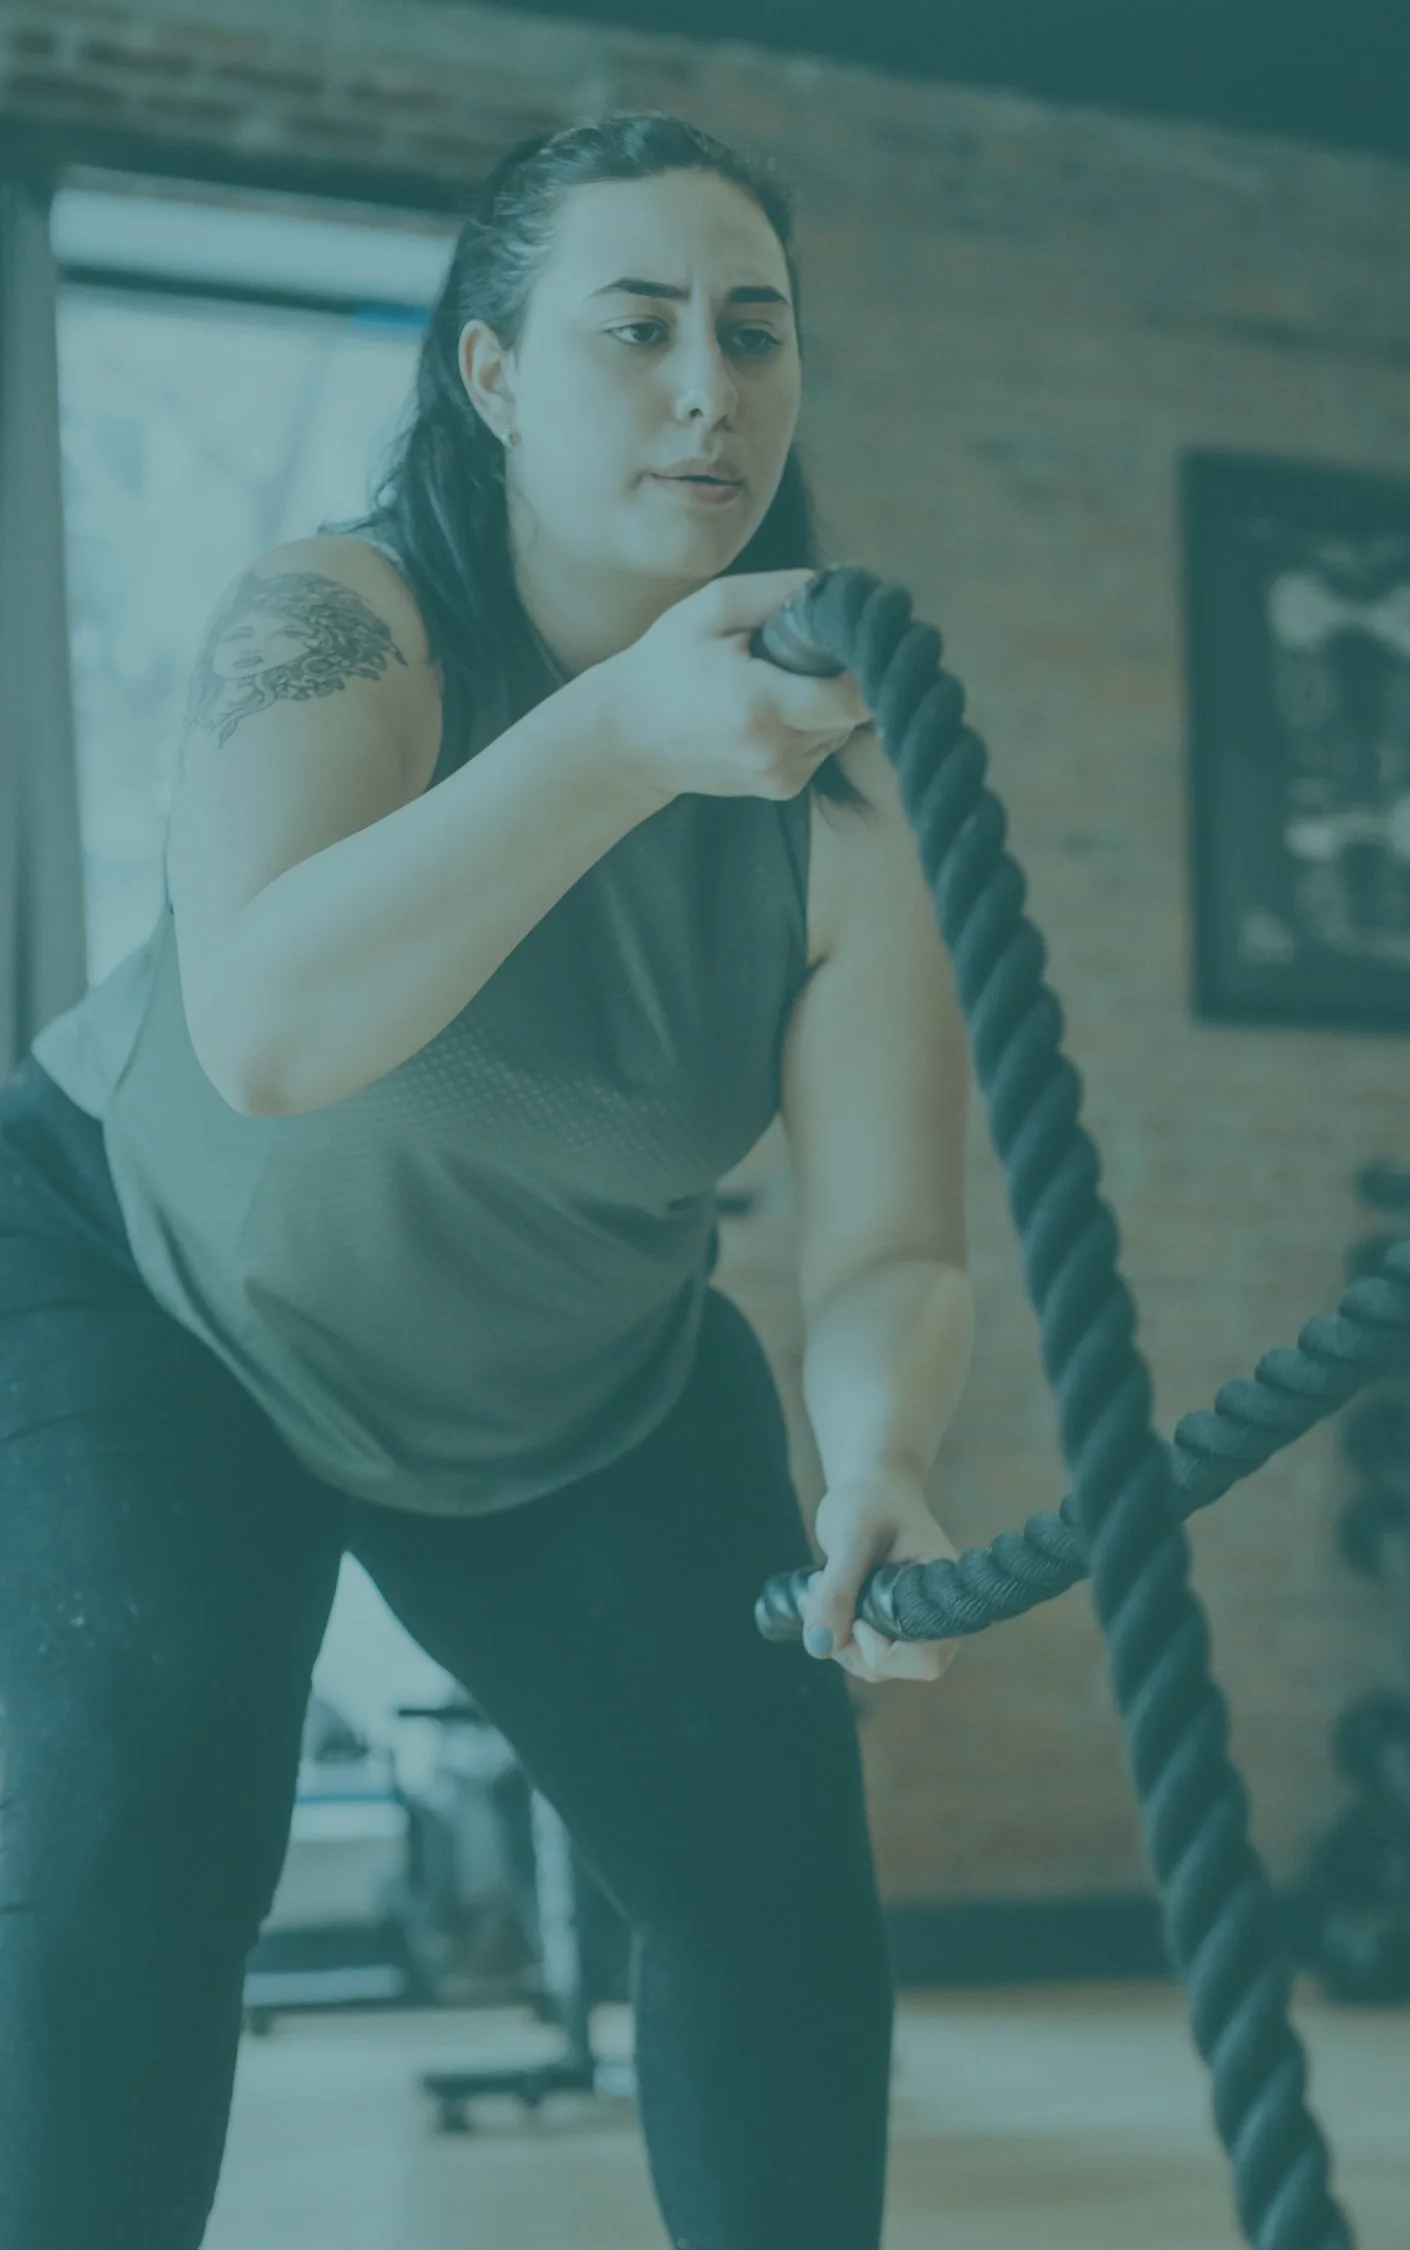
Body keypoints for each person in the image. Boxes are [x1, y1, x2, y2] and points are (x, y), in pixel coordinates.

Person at [0, 111, 973, 2249]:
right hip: (147, 1284)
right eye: (636, 329)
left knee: (776, 1896)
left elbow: (893, 1233)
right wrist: (625, 733)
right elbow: (267, 1032)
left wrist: (880, 1451)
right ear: (498, 375)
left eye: (753, 330)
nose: (711, 388)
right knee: (133, 1826)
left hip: (571, 1373)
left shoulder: (849, 778)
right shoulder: (345, 619)